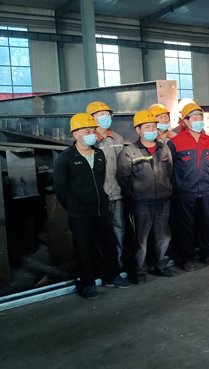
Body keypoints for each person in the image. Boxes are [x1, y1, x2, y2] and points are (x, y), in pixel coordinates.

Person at [54, 113, 132, 300]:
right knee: (83, 249)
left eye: (93, 131)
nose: (91, 135)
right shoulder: (66, 158)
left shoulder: (98, 154)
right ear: (76, 134)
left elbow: (100, 179)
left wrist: (101, 200)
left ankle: (112, 276)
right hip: (79, 213)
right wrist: (74, 206)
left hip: (101, 209)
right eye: (86, 131)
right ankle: (88, 283)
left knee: (109, 244)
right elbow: (60, 188)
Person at [116, 110, 174, 284]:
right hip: (140, 202)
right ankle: (138, 271)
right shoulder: (129, 151)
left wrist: (164, 189)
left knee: (163, 236)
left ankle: (160, 265)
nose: (152, 130)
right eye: (147, 127)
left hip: (162, 200)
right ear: (138, 130)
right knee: (140, 239)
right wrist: (136, 193)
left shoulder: (164, 148)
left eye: (154, 126)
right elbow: (123, 177)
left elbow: (169, 172)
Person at [167, 101, 209, 271]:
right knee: (186, 226)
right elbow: (169, 169)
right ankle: (187, 258)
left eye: (200, 118)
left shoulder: (208, 141)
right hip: (185, 192)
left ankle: (207, 254)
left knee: (206, 225)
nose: (198, 121)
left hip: (206, 191)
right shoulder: (175, 142)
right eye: (194, 118)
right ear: (186, 122)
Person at [86, 101, 126, 267]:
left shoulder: (117, 138)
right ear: (91, 118)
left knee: (120, 227)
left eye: (107, 114)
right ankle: (102, 264)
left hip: (117, 192)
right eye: (101, 114)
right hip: (99, 195)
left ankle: (118, 261)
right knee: (100, 230)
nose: (106, 117)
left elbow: (123, 165)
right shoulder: (89, 140)